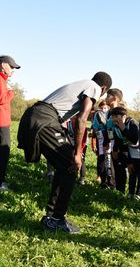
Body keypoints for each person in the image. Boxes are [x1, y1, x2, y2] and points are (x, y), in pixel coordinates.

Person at [17, 72, 112, 233]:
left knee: (63, 166)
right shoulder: (94, 87)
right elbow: (82, 119)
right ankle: (56, 219)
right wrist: (77, 153)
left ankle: (51, 216)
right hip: (44, 118)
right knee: (70, 163)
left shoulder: (82, 84)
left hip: (34, 115)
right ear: (104, 88)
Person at [111, 106, 140, 199]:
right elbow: (118, 140)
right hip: (130, 153)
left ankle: (139, 194)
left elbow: (134, 140)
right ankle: (130, 193)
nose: (113, 119)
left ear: (124, 117)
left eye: (116, 116)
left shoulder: (132, 124)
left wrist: (123, 129)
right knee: (132, 172)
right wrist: (115, 150)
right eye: (112, 117)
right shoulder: (115, 127)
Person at [0, 55, 20, 191]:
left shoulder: (3, 80)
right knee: (3, 152)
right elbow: (2, 98)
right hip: (1, 122)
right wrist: (11, 92)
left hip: (3, 121)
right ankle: (0, 183)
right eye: (12, 67)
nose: (13, 70)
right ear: (3, 65)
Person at [104, 88, 124, 191]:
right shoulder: (107, 112)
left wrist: (116, 148)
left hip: (118, 144)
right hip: (110, 142)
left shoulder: (120, 113)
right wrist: (106, 141)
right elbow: (107, 128)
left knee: (119, 166)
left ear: (115, 99)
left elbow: (120, 133)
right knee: (109, 164)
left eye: (108, 96)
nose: (106, 98)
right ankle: (111, 184)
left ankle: (120, 189)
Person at [91, 100, 109, 186]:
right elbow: (95, 127)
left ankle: (108, 179)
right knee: (101, 158)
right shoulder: (97, 114)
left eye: (105, 108)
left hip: (109, 138)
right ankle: (101, 178)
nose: (103, 109)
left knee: (108, 159)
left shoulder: (110, 114)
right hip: (101, 138)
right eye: (101, 108)